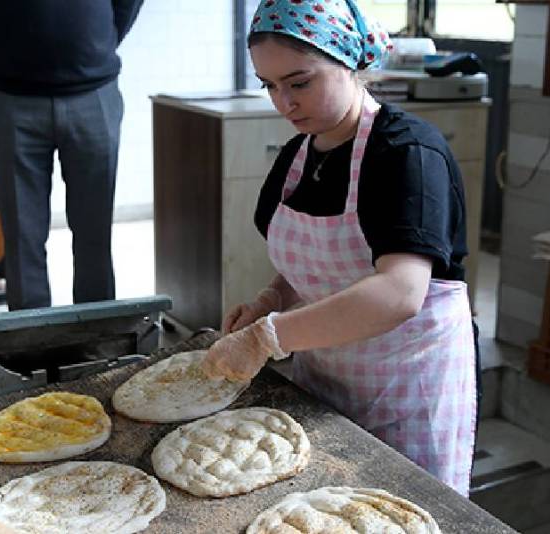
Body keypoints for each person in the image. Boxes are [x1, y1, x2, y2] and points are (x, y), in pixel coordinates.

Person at [201, 0, 479, 496]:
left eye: (299, 82)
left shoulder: (406, 153)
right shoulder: (297, 156)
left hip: (407, 389)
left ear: (349, 62)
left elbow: (400, 292)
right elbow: (313, 264)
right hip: (326, 379)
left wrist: (267, 338)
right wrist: (271, 300)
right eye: (270, 85)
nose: (283, 102)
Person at [0, 0, 144, 309]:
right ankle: (32, 344)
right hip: (9, 96)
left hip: (93, 91)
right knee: (22, 237)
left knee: (94, 233)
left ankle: (97, 335)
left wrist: (102, 41)